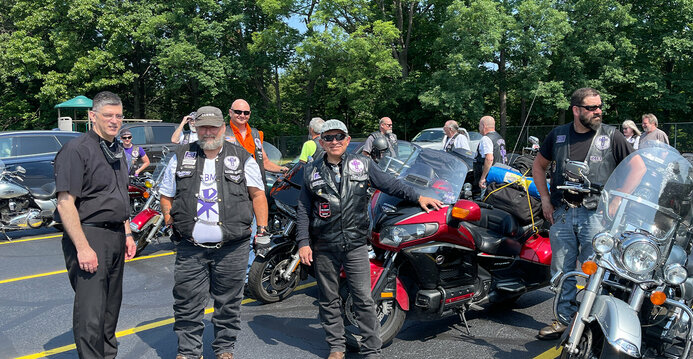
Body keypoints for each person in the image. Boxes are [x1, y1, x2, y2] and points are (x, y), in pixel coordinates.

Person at [296, 119, 443, 359]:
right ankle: (336, 347)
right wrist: (303, 242)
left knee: (363, 298)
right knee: (328, 299)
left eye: (338, 137)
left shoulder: (362, 164)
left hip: (355, 243)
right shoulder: (311, 170)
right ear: (321, 141)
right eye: (328, 138)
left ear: (346, 139)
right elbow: (303, 208)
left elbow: (391, 184)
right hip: (323, 244)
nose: (334, 142)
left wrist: (418, 196)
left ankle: (371, 349)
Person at [159, 106, 268, 359]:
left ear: (223, 128)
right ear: (195, 128)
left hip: (233, 247)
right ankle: (188, 352)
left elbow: (258, 195)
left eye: (213, 127)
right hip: (190, 246)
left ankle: (224, 349)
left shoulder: (242, 157)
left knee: (228, 304)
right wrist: (168, 217)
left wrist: (261, 230)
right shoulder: (181, 155)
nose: (208, 132)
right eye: (203, 127)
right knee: (187, 303)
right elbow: (166, 195)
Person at [533, 88, 634, 340]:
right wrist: (545, 199)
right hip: (563, 213)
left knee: (597, 271)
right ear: (576, 110)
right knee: (562, 271)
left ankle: (593, 322)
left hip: (597, 216)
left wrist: (619, 198)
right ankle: (563, 319)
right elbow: (538, 165)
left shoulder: (612, 135)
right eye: (591, 107)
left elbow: (637, 167)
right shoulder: (557, 135)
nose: (598, 111)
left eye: (599, 106)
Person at [54, 91, 137, 358]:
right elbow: (65, 203)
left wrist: (127, 233)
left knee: (111, 309)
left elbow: (119, 196)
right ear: (93, 117)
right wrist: (82, 247)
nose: (115, 121)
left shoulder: (117, 151)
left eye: (118, 115)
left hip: (115, 235)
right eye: (108, 115)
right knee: (91, 312)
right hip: (89, 234)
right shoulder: (77, 150)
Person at [225, 99, 289, 184]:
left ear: (250, 114)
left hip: (255, 184)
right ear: (230, 112)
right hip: (233, 186)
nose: (242, 115)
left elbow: (265, 162)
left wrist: (282, 169)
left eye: (246, 113)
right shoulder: (222, 134)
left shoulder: (256, 134)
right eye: (238, 112)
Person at [474, 116, 507, 191]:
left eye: (479, 126)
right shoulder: (499, 137)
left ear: (483, 126)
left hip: (490, 177)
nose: (479, 128)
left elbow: (489, 158)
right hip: (500, 173)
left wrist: (483, 178)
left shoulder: (486, 138)